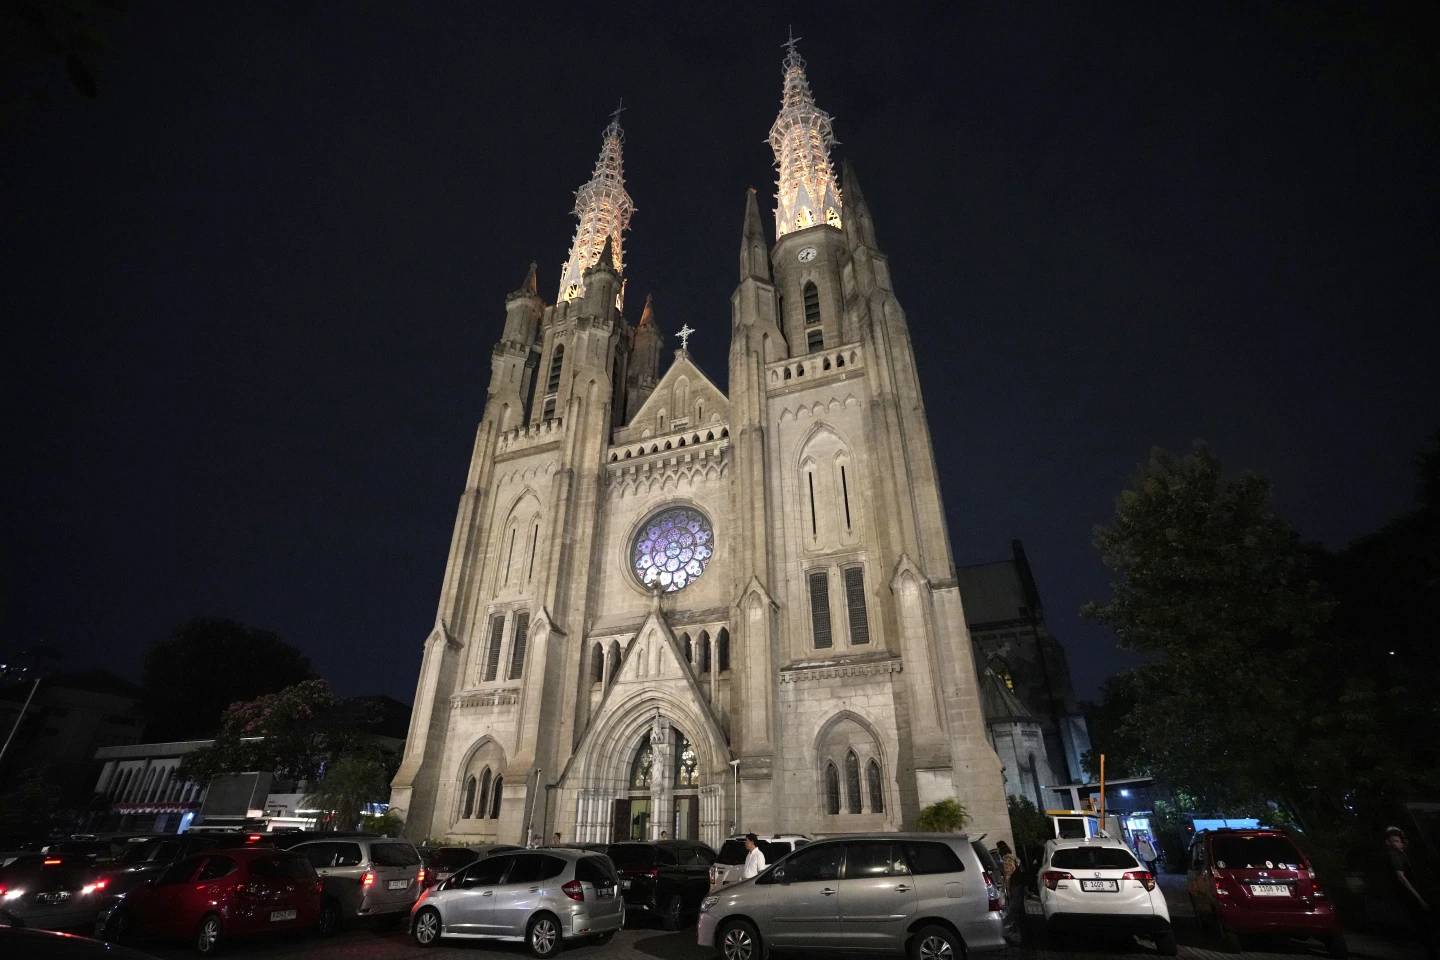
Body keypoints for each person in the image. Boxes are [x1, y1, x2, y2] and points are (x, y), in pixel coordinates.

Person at [1386, 827, 1436, 960]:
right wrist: (1419, 898)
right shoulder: (1395, 856)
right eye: (1393, 841)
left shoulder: (1404, 854)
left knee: (1425, 924)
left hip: (1417, 893)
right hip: (1412, 896)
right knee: (1423, 924)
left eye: (1397, 841)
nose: (1395, 844)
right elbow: (1401, 877)